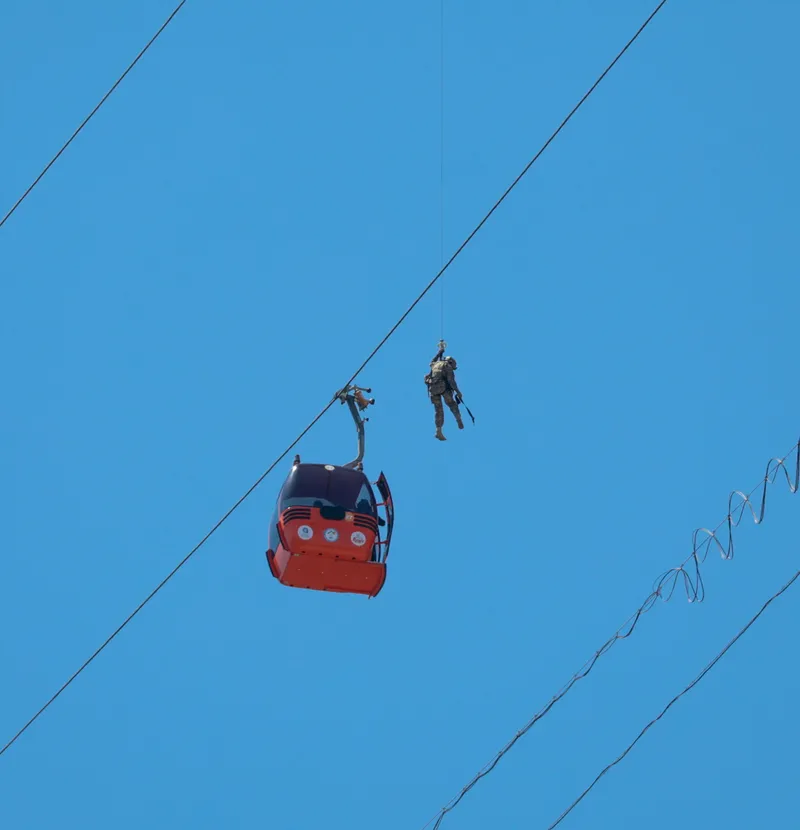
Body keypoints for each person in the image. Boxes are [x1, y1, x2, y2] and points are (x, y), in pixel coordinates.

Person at [424, 340, 464, 441]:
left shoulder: (435, 364)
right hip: (443, 388)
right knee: (452, 404)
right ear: (451, 363)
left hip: (433, 390)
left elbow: (431, 362)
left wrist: (439, 352)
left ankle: (438, 430)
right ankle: (458, 419)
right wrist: (458, 392)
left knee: (438, 411)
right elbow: (451, 381)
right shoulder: (447, 366)